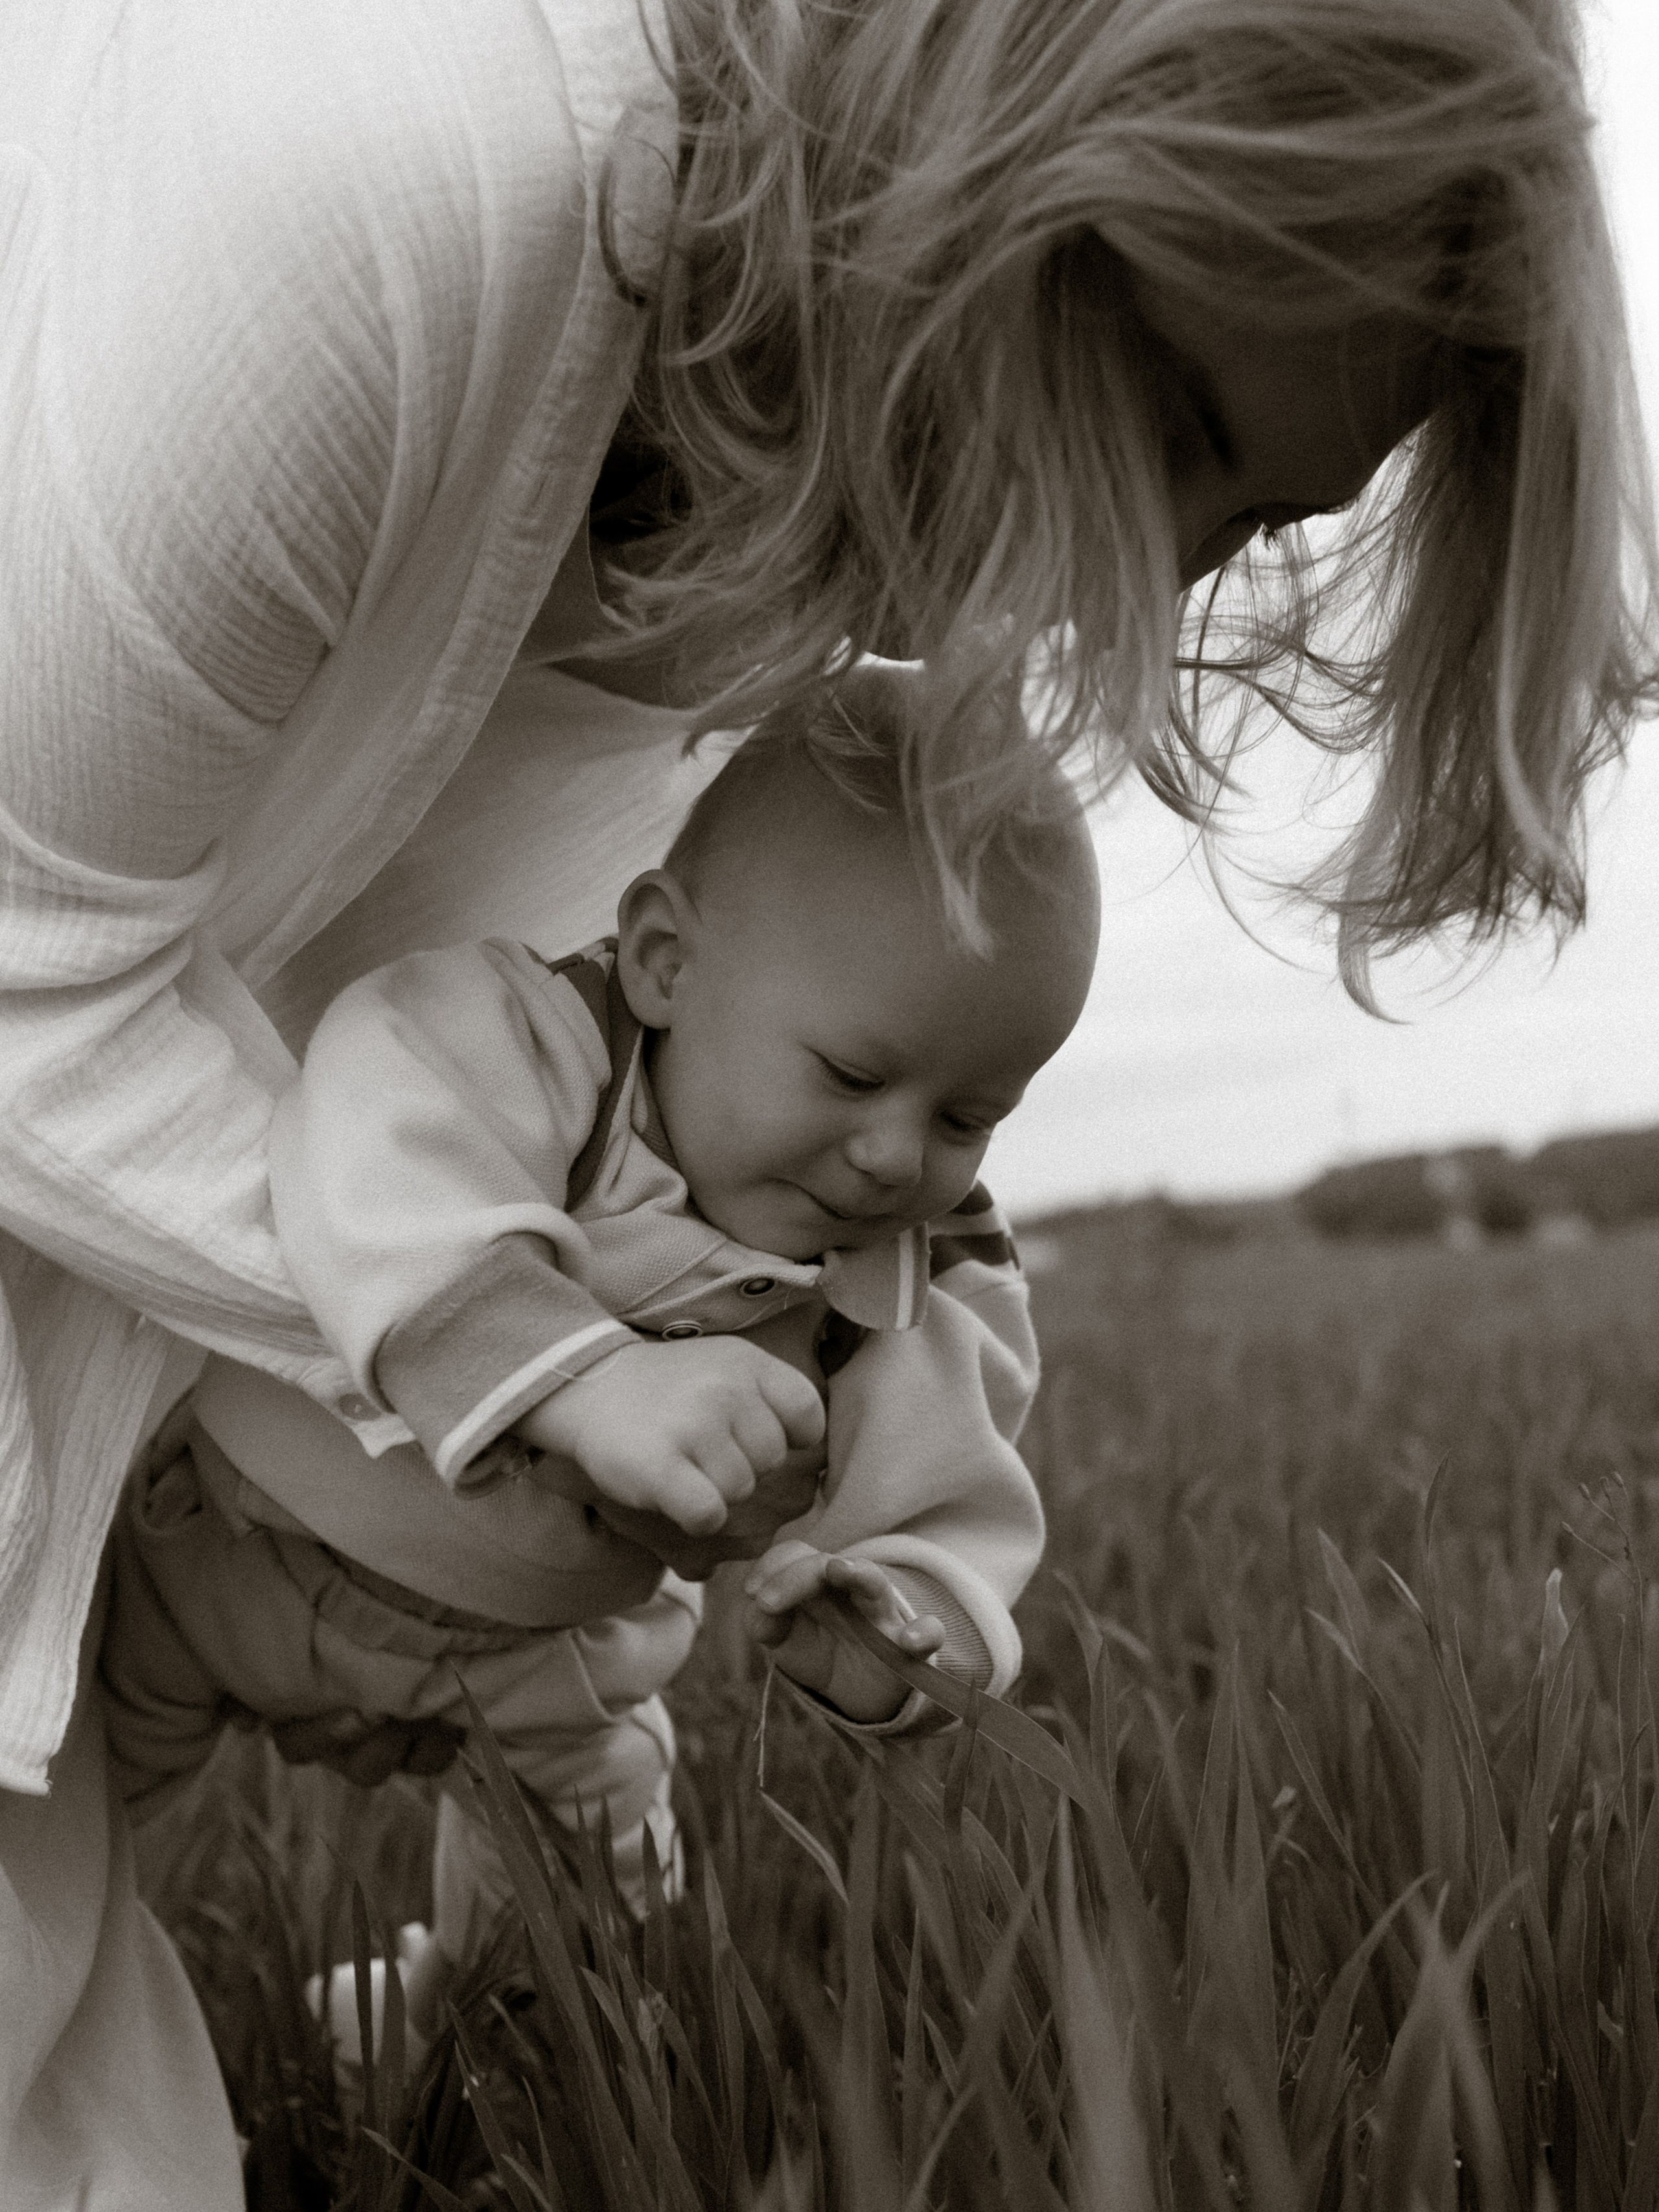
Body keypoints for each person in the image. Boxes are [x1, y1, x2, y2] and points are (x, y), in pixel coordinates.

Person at [1, 0, 1651, 2203]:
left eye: (1250, 523)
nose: (1146, 595)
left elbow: (853, 1321)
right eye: (1170, 425)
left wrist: (882, 1568)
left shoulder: (810, 511)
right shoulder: (412, 170)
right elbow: (41, 970)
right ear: (1012, 152)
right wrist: (559, 1363)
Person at [99, 664, 1098, 2047]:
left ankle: (450, 2046)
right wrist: (584, 1376)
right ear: (664, 963)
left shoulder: (920, 1267)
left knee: (593, 1907)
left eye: (967, 1116)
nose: (890, 1157)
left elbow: (949, 1477)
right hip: (227, 1546)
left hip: (545, 1653)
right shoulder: (526, 1036)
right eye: (855, 1077)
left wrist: (894, 1610)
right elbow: (372, 1153)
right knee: (56, 1799)